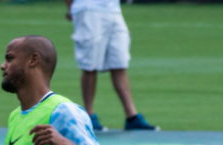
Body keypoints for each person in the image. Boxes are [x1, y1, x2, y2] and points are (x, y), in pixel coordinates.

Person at [65, 0, 158, 131]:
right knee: (90, 65)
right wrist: (71, 8)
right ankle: (89, 116)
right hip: (88, 8)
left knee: (119, 63)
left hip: (114, 9)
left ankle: (131, 117)